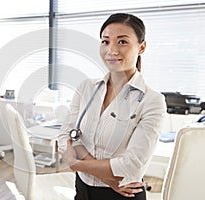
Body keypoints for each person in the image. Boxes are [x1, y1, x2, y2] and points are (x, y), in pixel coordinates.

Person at [58, 13, 167, 200]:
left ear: (142, 47)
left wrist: (76, 164)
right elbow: (66, 136)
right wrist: (109, 178)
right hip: (83, 189)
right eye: (105, 42)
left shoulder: (152, 100)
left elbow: (132, 166)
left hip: (123, 195)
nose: (112, 50)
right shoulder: (86, 88)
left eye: (122, 42)